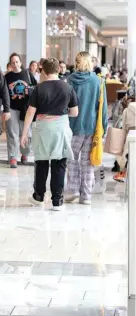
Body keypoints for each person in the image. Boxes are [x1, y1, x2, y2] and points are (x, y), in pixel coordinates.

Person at [21, 58, 79, 211]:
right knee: (59, 164)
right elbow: (74, 112)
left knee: (41, 163)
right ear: (58, 70)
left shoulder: (39, 88)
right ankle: (57, 201)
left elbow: (30, 113)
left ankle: (39, 197)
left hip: (43, 128)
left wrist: (24, 134)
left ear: (43, 71)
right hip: (61, 128)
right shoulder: (67, 87)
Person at [65, 51, 108, 205]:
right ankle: (86, 196)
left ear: (77, 62)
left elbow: (66, 104)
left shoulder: (69, 80)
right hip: (91, 126)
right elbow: (102, 107)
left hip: (73, 125)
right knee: (88, 162)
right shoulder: (98, 81)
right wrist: (104, 126)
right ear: (90, 62)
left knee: (72, 159)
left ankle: (73, 190)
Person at [4, 53, 33, 168]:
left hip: (25, 108)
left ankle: (25, 153)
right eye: (13, 62)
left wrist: (29, 91)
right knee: (12, 133)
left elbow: (35, 88)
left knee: (26, 133)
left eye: (17, 61)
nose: (15, 64)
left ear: (20, 63)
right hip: (12, 108)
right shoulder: (7, 77)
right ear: (10, 64)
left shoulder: (27, 73)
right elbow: (4, 92)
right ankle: (13, 157)